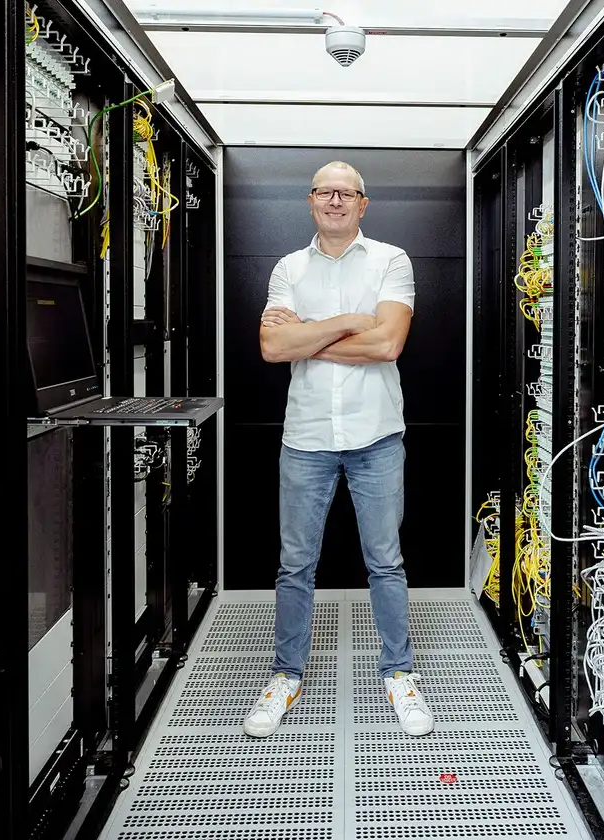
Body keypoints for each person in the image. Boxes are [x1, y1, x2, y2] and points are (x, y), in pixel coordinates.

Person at [242, 161, 433, 739]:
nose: (334, 201)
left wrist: (311, 334)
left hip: (376, 436)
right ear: (310, 200)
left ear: (362, 203)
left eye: (345, 193)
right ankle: (286, 674)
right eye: (325, 192)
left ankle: (398, 672)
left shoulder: (390, 261)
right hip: (305, 439)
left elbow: (390, 342)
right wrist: (352, 323)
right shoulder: (287, 267)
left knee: (386, 563)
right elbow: (273, 348)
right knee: (295, 565)